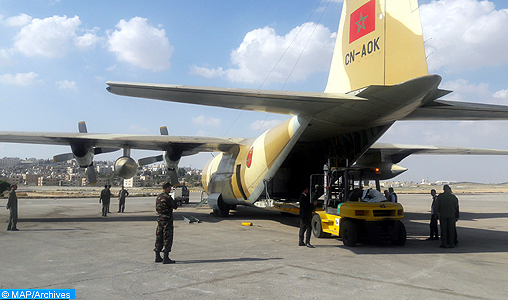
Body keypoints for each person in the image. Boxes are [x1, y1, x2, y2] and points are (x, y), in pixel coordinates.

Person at [154, 182, 178, 264]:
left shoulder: (159, 197)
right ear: (167, 188)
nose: (170, 189)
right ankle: (166, 257)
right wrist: (177, 201)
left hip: (160, 219)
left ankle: (157, 256)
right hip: (167, 220)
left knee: (159, 237)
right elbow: (175, 206)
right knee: (167, 238)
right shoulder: (168, 198)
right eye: (170, 188)